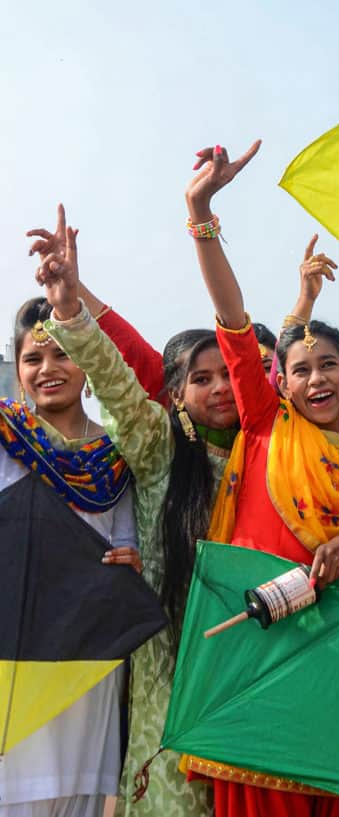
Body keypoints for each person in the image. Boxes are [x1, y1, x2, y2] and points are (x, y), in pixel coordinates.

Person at [184, 140, 339, 817]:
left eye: (329, 364)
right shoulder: (265, 425)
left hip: (330, 659)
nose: (316, 378)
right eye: (300, 369)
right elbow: (233, 319)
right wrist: (201, 213)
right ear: (283, 382)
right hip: (250, 644)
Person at [32, 205, 236, 817]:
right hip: (167, 679)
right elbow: (116, 380)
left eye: (230, 373)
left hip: (247, 671)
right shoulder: (158, 446)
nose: (220, 387)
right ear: (177, 394)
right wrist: (69, 309)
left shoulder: (270, 457)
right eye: (202, 378)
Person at [0, 291, 137, 817]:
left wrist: (130, 562)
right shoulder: (6, 441)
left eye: (62, 353)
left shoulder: (114, 457)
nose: (47, 369)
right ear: (18, 370)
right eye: (33, 358)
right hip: (15, 657)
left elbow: (126, 544)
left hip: (86, 663)